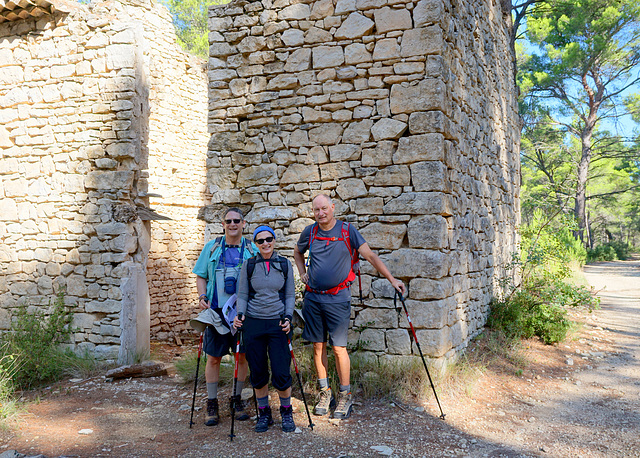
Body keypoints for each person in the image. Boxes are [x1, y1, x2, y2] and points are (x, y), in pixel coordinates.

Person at [293, 194, 406, 420]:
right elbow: (297, 252)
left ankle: (345, 394)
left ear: (332, 208)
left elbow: (371, 256)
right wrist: (302, 273)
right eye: (316, 210)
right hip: (313, 298)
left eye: (324, 208)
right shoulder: (310, 232)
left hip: (338, 298)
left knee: (338, 348)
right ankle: (325, 393)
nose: (320, 213)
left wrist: (392, 280)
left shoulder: (347, 231)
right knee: (318, 347)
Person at [192, 208, 256, 426]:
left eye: (236, 220)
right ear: (223, 224)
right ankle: (212, 403)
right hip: (217, 313)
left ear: (243, 223)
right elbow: (201, 275)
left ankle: (236, 399)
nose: (232, 224)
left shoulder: (251, 249)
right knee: (213, 357)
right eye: (228, 221)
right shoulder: (212, 248)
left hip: (242, 314)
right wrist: (202, 296)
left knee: (242, 357)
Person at [233, 225, 296, 433]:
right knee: (258, 371)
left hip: (278, 322)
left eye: (268, 239)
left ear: (274, 240)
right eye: (260, 241)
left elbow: (289, 295)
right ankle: (264, 413)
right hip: (254, 322)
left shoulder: (284, 264)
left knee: (280, 371)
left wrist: (288, 317)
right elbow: (242, 294)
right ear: (255, 244)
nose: (265, 243)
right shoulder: (249, 265)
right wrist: (240, 314)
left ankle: (286, 412)